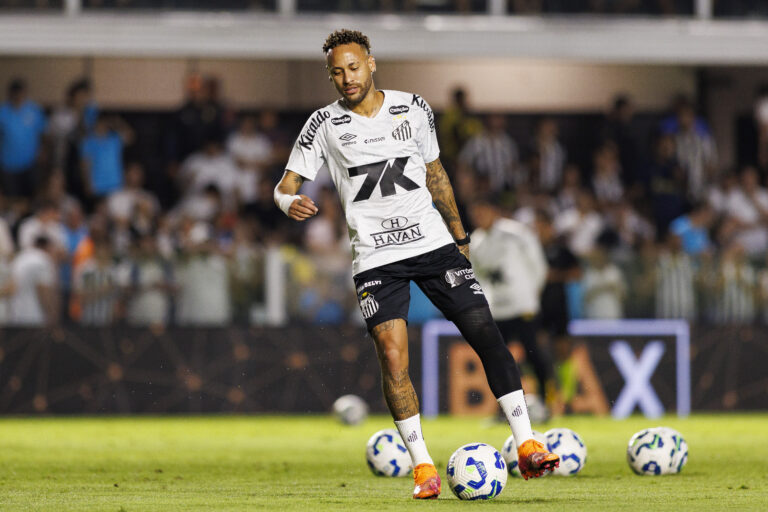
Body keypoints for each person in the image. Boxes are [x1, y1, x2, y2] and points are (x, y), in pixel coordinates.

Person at [273, 29, 559, 499]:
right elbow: (285, 186)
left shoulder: (413, 107)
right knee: (392, 357)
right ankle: (423, 467)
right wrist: (289, 203)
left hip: (432, 245)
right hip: (376, 259)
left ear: (371, 63)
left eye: (353, 67)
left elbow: (435, 174)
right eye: (337, 72)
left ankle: (527, 442)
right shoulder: (323, 123)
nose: (347, 78)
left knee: (485, 332)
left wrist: (460, 236)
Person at [468, 197, 557, 411]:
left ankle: (547, 403)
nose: (478, 216)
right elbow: (477, 276)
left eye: (482, 211)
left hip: (523, 306)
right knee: (497, 359)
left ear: (494, 210)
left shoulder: (516, 233)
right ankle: (506, 409)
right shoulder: (475, 241)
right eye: (475, 213)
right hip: (497, 310)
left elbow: (538, 265)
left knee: (534, 355)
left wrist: (532, 294)